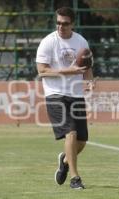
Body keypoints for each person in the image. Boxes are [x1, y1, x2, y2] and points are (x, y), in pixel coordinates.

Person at [36, 7, 95, 189]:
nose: (61, 26)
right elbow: (42, 71)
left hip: (75, 94)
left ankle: (65, 160)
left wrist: (90, 81)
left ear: (73, 24)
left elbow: (87, 65)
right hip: (55, 95)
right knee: (71, 133)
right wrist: (70, 70)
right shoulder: (48, 42)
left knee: (82, 140)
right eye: (58, 23)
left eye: (65, 23)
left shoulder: (81, 41)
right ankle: (75, 179)